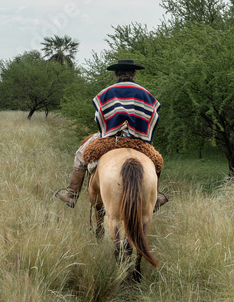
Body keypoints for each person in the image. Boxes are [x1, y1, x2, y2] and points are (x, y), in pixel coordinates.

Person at [55, 59, 169, 210]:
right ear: (134, 73)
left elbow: (99, 116)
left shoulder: (107, 92)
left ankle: (72, 195)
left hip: (110, 137)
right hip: (137, 139)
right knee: (156, 160)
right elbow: (152, 115)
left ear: (116, 73)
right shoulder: (144, 93)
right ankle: (153, 200)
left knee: (81, 154)